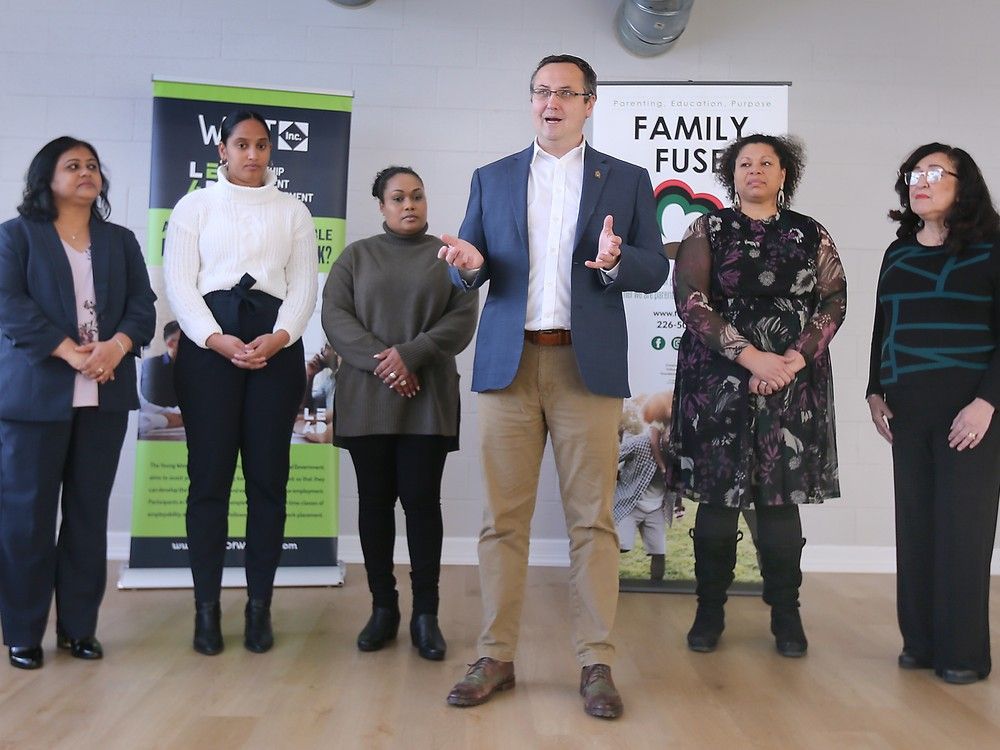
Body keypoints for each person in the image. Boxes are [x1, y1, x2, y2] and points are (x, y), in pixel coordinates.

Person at [438, 54, 670, 719]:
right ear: (531, 100)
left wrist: (618, 260)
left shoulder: (626, 180)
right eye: (541, 91)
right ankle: (495, 656)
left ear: (589, 104)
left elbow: (654, 270)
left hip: (584, 368)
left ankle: (596, 662)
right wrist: (470, 266)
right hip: (509, 368)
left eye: (566, 92)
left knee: (593, 523)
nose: (551, 102)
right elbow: (466, 272)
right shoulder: (493, 177)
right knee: (501, 521)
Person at [667, 134, 846, 658]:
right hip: (718, 382)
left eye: (767, 163)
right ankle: (710, 611)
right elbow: (691, 301)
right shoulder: (708, 227)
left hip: (793, 384)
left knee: (779, 505)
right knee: (718, 506)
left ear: (784, 173)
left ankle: (786, 614)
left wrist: (789, 361)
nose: (756, 171)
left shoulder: (810, 232)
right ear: (732, 174)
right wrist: (751, 357)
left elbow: (834, 300)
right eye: (745, 163)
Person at [164, 110, 317, 656]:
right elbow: (180, 284)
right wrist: (215, 338)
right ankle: (206, 612)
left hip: (275, 349)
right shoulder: (194, 207)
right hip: (210, 351)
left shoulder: (293, 211)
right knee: (208, 482)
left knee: (268, 483)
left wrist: (279, 337)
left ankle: (259, 609)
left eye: (261, 145)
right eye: (241, 145)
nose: (253, 154)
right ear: (222, 152)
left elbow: (303, 287)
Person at [0, 136, 156, 670]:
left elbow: (143, 305)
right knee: (27, 520)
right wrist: (69, 351)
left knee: (88, 518)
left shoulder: (120, 240)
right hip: (34, 398)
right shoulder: (16, 237)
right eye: (73, 165)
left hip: (105, 395)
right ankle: (23, 633)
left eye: (92, 165)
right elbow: (8, 304)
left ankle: (78, 630)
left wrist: (115, 346)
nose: (86, 172)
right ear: (48, 178)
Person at [322, 166, 478, 661]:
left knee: (421, 502)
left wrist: (409, 356)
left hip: (426, 401)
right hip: (367, 400)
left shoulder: (447, 257)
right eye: (397, 198)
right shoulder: (356, 257)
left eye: (417, 196)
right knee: (374, 503)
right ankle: (383, 608)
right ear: (382, 206)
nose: (409, 205)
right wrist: (386, 363)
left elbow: (462, 318)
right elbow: (335, 317)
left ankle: (425, 614)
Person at [867, 143, 1000, 685]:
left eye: (933, 173)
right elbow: (883, 328)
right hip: (907, 410)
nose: (919, 182)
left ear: (962, 183)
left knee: (962, 533)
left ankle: (963, 654)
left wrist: (987, 402)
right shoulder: (898, 253)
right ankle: (919, 644)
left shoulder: (993, 247)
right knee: (916, 527)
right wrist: (875, 391)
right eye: (913, 173)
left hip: (972, 411)